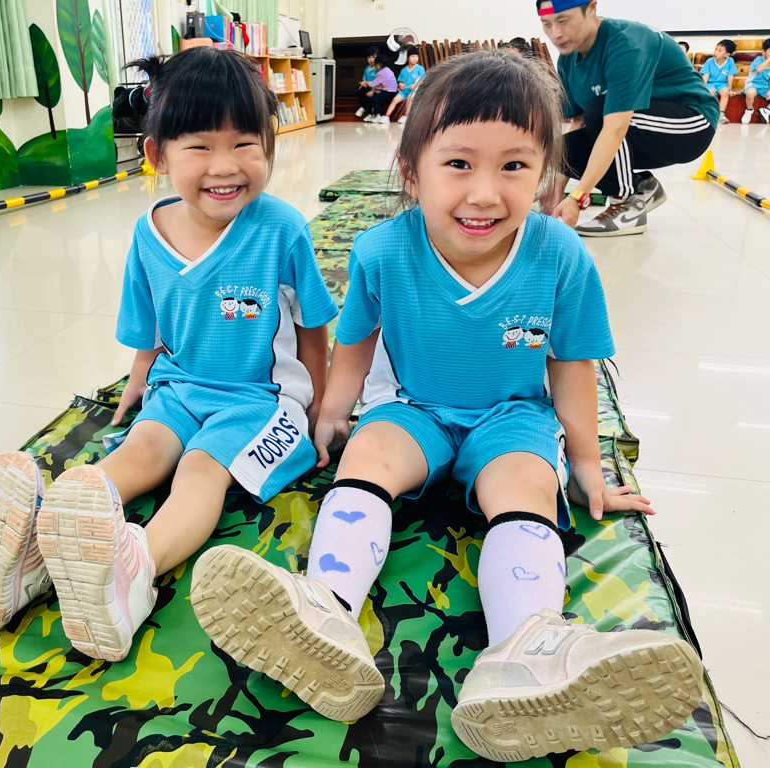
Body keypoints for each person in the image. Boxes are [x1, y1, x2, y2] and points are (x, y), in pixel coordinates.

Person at [189, 51, 704, 762]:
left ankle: (526, 651)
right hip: (414, 407)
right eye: (458, 164)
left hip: (512, 416)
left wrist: (586, 464)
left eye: (515, 166)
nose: (485, 194)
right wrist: (332, 414)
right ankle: (326, 609)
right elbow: (356, 347)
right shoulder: (381, 251)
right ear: (412, 171)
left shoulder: (560, 255)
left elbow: (571, 364)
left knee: (527, 485)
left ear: (546, 173)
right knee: (369, 454)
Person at [0, 46, 338, 663]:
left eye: (245, 144)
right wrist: (141, 374)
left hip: (263, 402)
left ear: (270, 146)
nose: (225, 166)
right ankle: (32, 548)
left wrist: (319, 406)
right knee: (140, 452)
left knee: (200, 471)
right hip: (178, 387)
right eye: (200, 147)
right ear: (158, 154)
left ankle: (134, 572)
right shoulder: (148, 231)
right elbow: (150, 318)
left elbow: (313, 328)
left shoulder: (282, 229)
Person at [536, 0, 718, 237]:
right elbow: (578, 123)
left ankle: (627, 202)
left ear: (591, 8)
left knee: (600, 111)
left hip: (692, 123)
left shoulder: (626, 43)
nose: (556, 33)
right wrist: (556, 188)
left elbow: (616, 128)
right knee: (566, 144)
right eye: (547, 24)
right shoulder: (568, 58)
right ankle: (643, 185)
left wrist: (578, 197)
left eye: (563, 20)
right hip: (636, 124)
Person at [700, 39, 739, 124]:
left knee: (725, 92)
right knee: (710, 92)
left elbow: (730, 76)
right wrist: (702, 88)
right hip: (710, 83)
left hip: (722, 84)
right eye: (715, 49)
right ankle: (709, 113)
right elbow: (705, 76)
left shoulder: (730, 61)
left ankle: (721, 114)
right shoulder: (709, 61)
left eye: (719, 51)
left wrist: (729, 89)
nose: (715, 52)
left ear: (727, 54)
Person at [385, 47, 426, 124]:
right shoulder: (403, 70)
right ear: (408, 58)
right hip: (404, 91)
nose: (415, 58)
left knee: (410, 97)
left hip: (414, 91)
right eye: (412, 56)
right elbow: (400, 81)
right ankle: (386, 116)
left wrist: (415, 85)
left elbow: (423, 80)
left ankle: (406, 116)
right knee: (395, 99)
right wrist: (400, 84)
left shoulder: (420, 68)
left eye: (416, 56)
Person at [358, 53, 399, 123]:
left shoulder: (381, 73)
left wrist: (365, 82)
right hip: (393, 91)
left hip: (389, 92)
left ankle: (379, 115)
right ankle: (374, 114)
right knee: (376, 96)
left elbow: (373, 84)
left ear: (378, 65)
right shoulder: (388, 70)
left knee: (375, 99)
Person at [741, 38, 770, 124]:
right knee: (750, 92)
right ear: (763, 52)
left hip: (764, 87)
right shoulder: (758, 59)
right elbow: (759, 69)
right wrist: (768, 60)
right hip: (752, 84)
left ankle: (766, 110)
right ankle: (749, 110)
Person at [355, 47, 379, 118]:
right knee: (361, 91)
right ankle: (363, 107)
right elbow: (364, 79)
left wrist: (373, 90)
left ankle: (371, 113)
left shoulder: (377, 68)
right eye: (369, 57)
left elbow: (378, 81)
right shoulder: (367, 68)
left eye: (373, 57)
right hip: (368, 87)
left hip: (376, 88)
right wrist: (363, 84)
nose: (371, 59)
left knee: (370, 97)